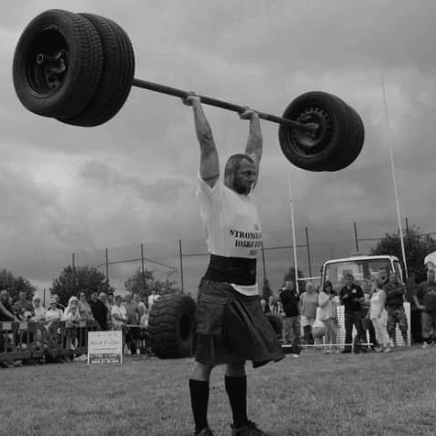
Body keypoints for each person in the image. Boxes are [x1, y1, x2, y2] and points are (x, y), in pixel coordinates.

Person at [183, 92, 284, 436]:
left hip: (248, 290)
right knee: (206, 361)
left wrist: (255, 119)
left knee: (238, 359)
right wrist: (197, 105)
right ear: (229, 172)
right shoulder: (215, 195)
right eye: (245, 172)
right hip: (219, 289)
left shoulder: (249, 196)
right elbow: (207, 142)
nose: (252, 175)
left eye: (253, 172)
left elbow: (255, 150)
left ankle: (240, 424)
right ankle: (201, 429)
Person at [339, 273, 365, 353]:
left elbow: (362, 298)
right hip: (347, 312)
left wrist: (358, 300)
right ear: (345, 280)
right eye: (347, 279)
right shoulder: (343, 289)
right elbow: (340, 301)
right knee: (348, 330)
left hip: (356, 311)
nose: (349, 281)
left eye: (350, 279)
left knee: (359, 329)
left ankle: (362, 346)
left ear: (352, 280)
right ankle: (347, 348)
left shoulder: (357, 288)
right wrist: (344, 298)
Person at [383, 273, 408, 348]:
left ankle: (405, 342)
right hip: (390, 308)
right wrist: (395, 292)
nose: (393, 279)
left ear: (397, 278)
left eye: (394, 277)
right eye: (392, 278)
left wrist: (392, 292)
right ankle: (394, 342)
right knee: (391, 326)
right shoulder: (386, 286)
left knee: (403, 325)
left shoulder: (401, 285)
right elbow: (386, 295)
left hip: (399, 307)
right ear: (389, 279)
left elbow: (401, 291)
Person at [414, 269, 436, 348]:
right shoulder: (422, 285)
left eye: (433, 276)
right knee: (425, 326)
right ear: (427, 276)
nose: (431, 277)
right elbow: (415, 295)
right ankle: (426, 342)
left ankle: (434, 341)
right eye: (430, 275)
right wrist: (418, 305)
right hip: (426, 310)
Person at [279, 281, 301, 357]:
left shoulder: (295, 293)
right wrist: (282, 311)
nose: (290, 286)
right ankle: (286, 345)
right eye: (288, 284)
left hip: (295, 314)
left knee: (297, 330)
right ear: (286, 285)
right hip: (288, 315)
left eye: (291, 284)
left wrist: (300, 312)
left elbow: (298, 302)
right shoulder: (283, 294)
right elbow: (281, 303)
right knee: (287, 330)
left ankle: (297, 343)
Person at [370, 278, 390, 352]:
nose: (372, 286)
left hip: (380, 313)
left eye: (374, 284)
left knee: (383, 330)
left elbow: (382, 303)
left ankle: (388, 346)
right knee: (377, 331)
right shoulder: (374, 294)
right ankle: (381, 346)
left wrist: (380, 312)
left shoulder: (382, 293)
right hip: (374, 313)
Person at [318, 281, 338, 353]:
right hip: (325, 316)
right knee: (334, 331)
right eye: (326, 287)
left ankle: (330, 348)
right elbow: (320, 304)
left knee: (328, 332)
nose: (328, 288)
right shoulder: (322, 294)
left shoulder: (332, 294)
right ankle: (333, 347)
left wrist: (336, 316)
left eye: (329, 286)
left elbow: (335, 305)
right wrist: (328, 298)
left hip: (332, 315)